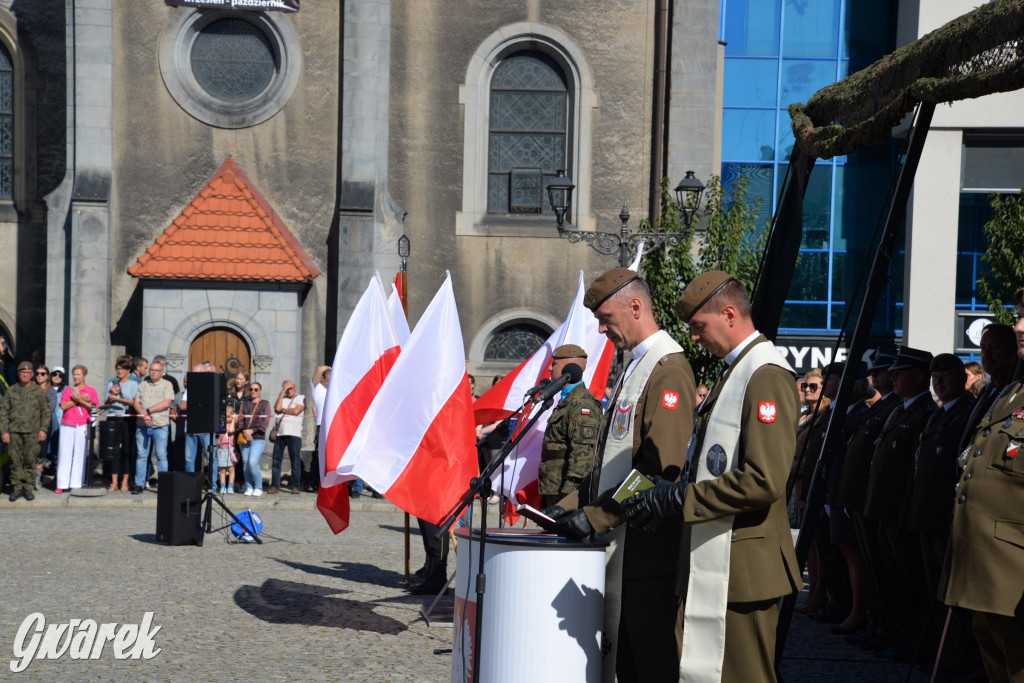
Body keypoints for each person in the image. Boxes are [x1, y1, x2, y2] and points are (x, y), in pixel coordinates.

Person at [619, 270, 801, 682]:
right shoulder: (737, 372)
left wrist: (681, 498)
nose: (695, 338)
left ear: (730, 314)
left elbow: (764, 480)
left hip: (745, 568)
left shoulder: (766, 375)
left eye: (699, 327)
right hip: (724, 558)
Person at [544, 267, 696, 681]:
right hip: (622, 544)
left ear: (635, 307)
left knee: (646, 664)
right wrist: (565, 507)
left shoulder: (667, 369)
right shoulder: (635, 363)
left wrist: (595, 517)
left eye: (605, 319)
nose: (601, 329)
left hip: (645, 550)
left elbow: (655, 470)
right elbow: (606, 464)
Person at [941, 287, 1024, 682]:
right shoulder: (1007, 391)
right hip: (981, 552)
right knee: (989, 642)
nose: (1019, 326)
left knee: (1015, 651)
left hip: (1011, 561)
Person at [862, 345, 937, 662]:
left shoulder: (925, 413)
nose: (893, 378)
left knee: (909, 583)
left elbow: (913, 469)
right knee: (889, 577)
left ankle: (912, 641)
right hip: (883, 510)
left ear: (920, 377)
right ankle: (893, 632)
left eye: (900, 373)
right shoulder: (901, 409)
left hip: (900, 511)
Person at [905, 354, 973, 656]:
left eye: (945, 375)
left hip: (946, 514)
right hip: (925, 513)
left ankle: (955, 654)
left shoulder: (968, 414)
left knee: (950, 589)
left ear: (962, 378)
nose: (939, 382)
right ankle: (937, 650)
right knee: (932, 587)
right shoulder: (939, 413)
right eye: (935, 376)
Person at [537, 344, 603, 508]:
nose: (550, 369)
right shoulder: (567, 400)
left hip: (564, 494)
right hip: (553, 487)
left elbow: (582, 458)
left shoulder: (582, 403)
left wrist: (568, 500)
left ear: (569, 367)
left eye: (554, 364)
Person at [0, 362, 50, 501]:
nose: (25, 375)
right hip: (14, 432)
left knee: (30, 460)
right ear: (19, 373)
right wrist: (4, 431)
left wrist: (43, 429)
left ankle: (28, 487)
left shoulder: (38, 391)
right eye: (23, 372)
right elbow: (4, 413)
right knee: (15, 461)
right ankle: (16, 488)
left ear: (32, 374)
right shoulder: (12, 391)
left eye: (28, 373)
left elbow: (45, 412)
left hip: (32, 432)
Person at [131, 359, 174, 493]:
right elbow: (136, 402)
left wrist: (148, 410)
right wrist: (143, 412)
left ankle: (164, 485)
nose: (153, 372)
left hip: (160, 426)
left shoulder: (167, 385)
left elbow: (166, 403)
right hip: (142, 425)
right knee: (142, 455)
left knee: (161, 455)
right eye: (151, 370)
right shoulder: (143, 385)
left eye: (156, 370)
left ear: (162, 372)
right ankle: (139, 483)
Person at [56, 365, 98, 492]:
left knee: (79, 454)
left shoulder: (91, 391)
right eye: (74, 374)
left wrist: (81, 400)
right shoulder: (68, 390)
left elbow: (94, 408)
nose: (75, 377)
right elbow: (63, 406)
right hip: (67, 423)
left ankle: (76, 483)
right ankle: (62, 483)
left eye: (78, 374)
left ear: (84, 376)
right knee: (64, 453)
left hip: (82, 424)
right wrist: (77, 400)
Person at [104, 358, 138, 492]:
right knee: (113, 451)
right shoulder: (112, 383)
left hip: (127, 418)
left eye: (122, 369)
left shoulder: (133, 384)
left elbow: (134, 402)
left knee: (126, 451)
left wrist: (118, 398)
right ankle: (114, 482)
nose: (120, 371)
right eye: (118, 368)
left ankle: (125, 481)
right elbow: (106, 402)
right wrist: (111, 394)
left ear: (128, 371)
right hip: (113, 417)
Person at [269, 379, 305, 494]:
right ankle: (275, 485)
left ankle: (295, 485)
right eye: (286, 389)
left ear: (295, 388)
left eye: (290, 388)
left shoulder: (300, 398)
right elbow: (277, 408)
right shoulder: (282, 399)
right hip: (280, 433)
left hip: (294, 434)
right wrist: (281, 393)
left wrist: (283, 410)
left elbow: (296, 411)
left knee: (295, 461)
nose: (289, 391)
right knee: (276, 460)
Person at [237, 380, 271, 496]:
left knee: (252, 463)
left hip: (258, 438)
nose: (253, 391)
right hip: (245, 437)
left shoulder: (265, 404)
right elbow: (240, 418)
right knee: (245, 463)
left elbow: (264, 422)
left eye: (256, 389)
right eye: (251, 389)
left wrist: (252, 431)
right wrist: (244, 431)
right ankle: (249, 486)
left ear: (260, 391)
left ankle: (258, 487)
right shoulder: (245, 403)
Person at [309, 365, 330, 492]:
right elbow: (319, 369)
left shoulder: (333, 389)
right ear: (322, 379)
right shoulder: (317, 389)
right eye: (328, 380)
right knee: (319, 456)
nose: (329, 383)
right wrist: (332, 367)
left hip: (332, 425)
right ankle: (315, 482)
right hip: (321, 426)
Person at [216, 405, 238, 495]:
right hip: (222, 449)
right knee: (222, 470)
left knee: (231, 469)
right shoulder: (221, 425)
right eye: (225, 416)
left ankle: (230, 487)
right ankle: (223, 487)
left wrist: (233, 419)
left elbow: (231, 430)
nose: (226, 418)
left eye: (228, 416)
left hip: (230, 449)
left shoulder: (232, 425)